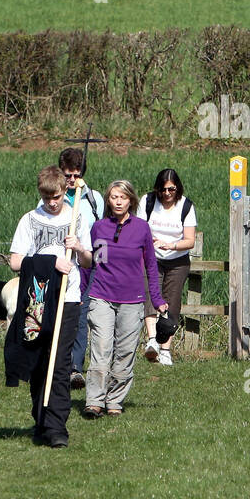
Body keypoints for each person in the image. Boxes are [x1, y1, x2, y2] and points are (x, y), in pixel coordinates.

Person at [6, 166, 95, 448]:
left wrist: (79, 247)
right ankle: (40, 421)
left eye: (55, 197)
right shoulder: (30, 220)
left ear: (65, 191)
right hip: (38, 299)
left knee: (59, 363)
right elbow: (16, 262)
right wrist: (49, 262)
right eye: (46, 198)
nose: (51, 203)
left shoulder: (76, 218)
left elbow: (90, 262)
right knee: (39, 361)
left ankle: (57, 427)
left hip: (67, 300)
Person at [84, 180, 166, 417]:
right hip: (102, 296)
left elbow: (151, 266)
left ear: (131, 200)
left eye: (123, 197)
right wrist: (81, 291)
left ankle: (114, 401)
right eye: (113, 197)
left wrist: (157, 299)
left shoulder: (141, 228)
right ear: (108, 200)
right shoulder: (99, 228)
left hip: (132, 299)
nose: (118, 202)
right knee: (101, 348)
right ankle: (94, 401)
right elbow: (94, 263)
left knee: (125, 351)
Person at [138, 169, 197, 367]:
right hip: (151, 257)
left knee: (172, 301)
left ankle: (165, 349)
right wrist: (149, 241)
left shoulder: (186, 206)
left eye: (171, 189)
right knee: (150, 295)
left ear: (177, 188)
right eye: (163, 189)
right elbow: (138, 228)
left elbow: (190, 241)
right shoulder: (147, 202)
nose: (167, 193)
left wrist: (171, 245)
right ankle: (152, 340)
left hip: (177, 259)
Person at [56, 148, 103, 390]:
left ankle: (75, 367)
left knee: (81, 315)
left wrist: (100, 263)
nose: (72, 180)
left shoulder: (94, 199)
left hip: (87, 265)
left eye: (76, 175)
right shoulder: (54, 197)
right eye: (67, 175)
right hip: (61, 264)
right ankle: (54, 364)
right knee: (59, 314)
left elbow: (103, 236)